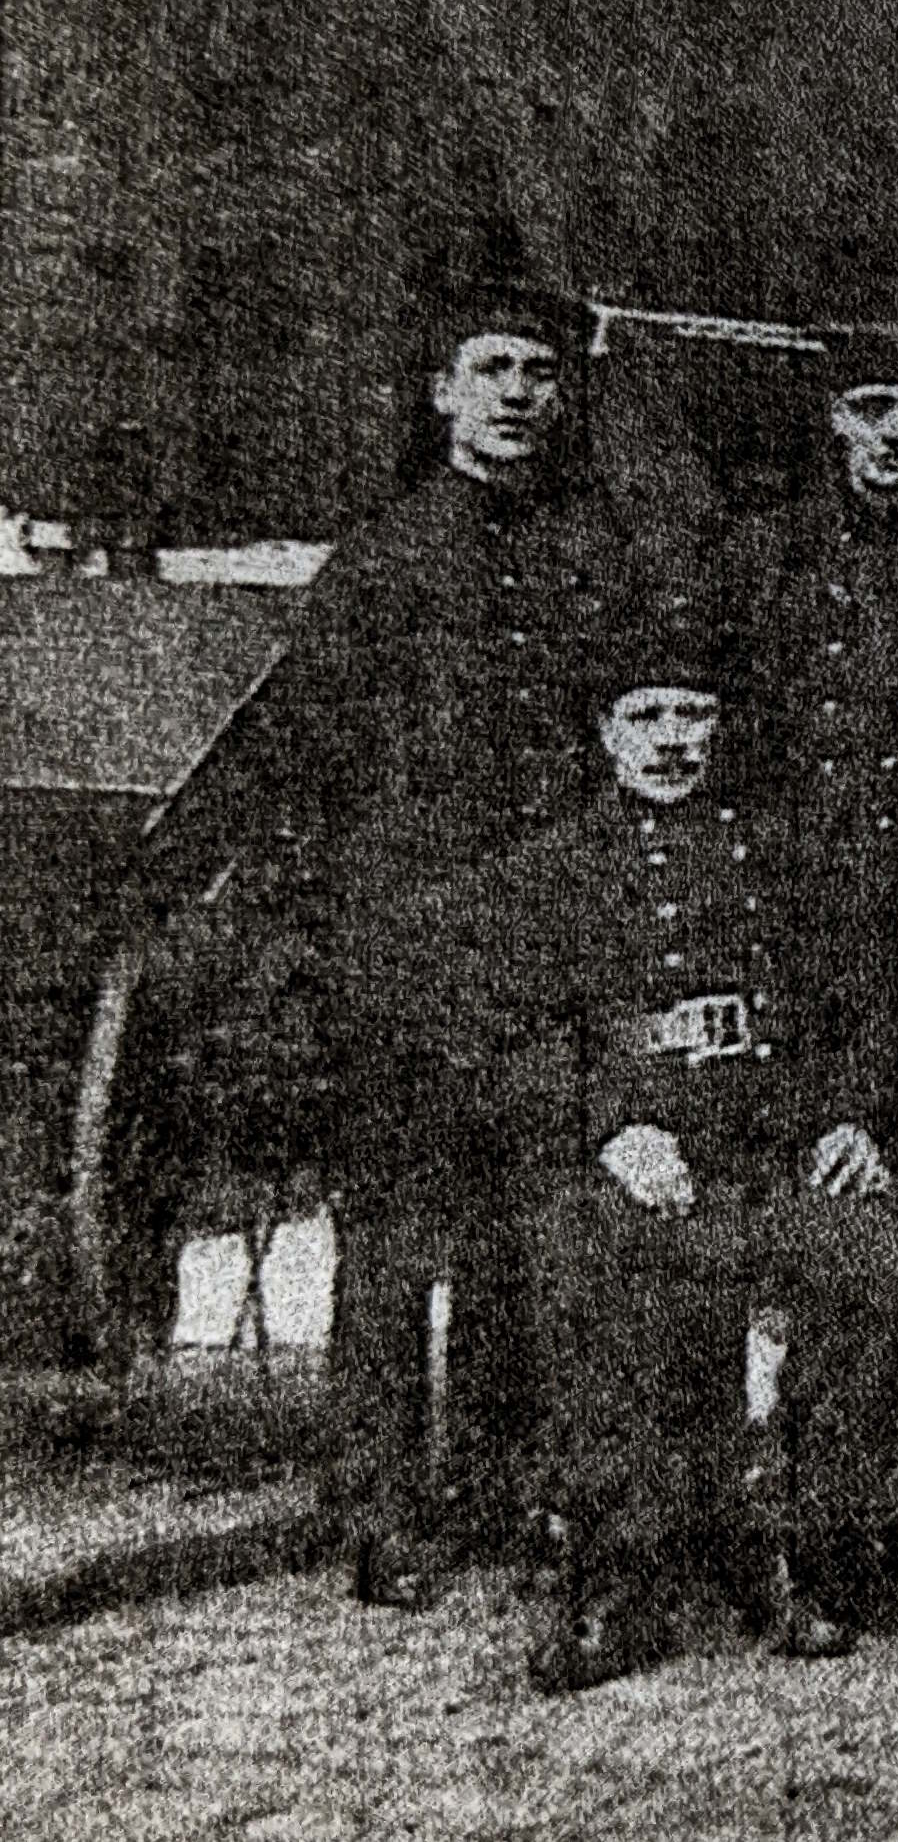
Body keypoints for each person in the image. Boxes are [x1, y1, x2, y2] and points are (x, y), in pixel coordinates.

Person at [146, 264, 633, 1609]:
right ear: (441, 395)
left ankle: (495, 1480)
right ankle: (376, 1506)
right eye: (493, 372)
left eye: (540, 371)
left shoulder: (595, 553)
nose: (521, 396)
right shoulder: (382, 560)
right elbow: (307, 764)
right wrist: (328, 943)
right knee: (395, 1246)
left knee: (519, 1239)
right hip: (406, 952)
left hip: (543, 948)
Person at [469, 630, 898, 1694]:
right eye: (646, 716)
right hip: (628, 1167)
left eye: (694, 714)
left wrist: (851, 1114)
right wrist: (605, 1128)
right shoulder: (552, 868)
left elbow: (864, 1005)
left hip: (766, 1159)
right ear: (605, 732)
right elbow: (512, 1036)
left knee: (875, 1261)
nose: (672, 741)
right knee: (584, 1263)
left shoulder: (786, 856)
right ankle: (618, 1568)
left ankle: (802, 1545)